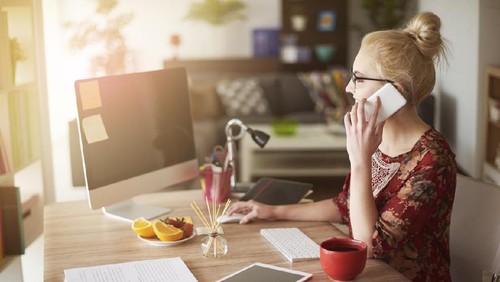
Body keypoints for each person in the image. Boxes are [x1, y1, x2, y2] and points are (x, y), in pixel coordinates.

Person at [227, 11, 457, 282]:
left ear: (396, 92)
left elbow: (369, 245)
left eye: (359, 78)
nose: (349, 88)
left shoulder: (433, 159)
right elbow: (346, 205)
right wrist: (272, 211)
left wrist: (360, 159)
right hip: (367, 274)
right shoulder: (375, 137)